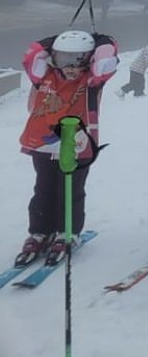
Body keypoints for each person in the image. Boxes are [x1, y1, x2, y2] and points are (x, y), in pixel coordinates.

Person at [15, 30, 119, 266]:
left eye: (78, 59)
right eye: (64, 59)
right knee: (43, 188)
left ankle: (67, 232)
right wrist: (53, 40)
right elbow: (31, 55)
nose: (71, 67)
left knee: (70, 190)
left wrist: (100, 39)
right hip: (43, 144)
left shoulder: (91, 80)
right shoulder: (43, 76)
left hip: (77, 145)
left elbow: (107, 59)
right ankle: (39, 232)